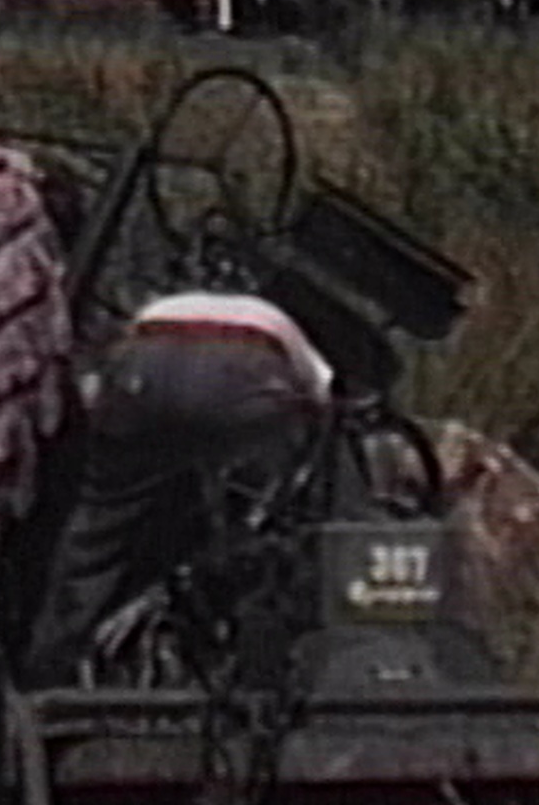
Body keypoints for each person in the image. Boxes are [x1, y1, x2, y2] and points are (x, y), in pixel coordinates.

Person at [24, 291, 333, 686]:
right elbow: (321, 404)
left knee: (95, 536)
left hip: (145, 363)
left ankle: (46, 665)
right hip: (247, 370)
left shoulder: (162, 306)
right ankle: (247, 624)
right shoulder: (294, 340)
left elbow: (97, 387)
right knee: (268, 520)